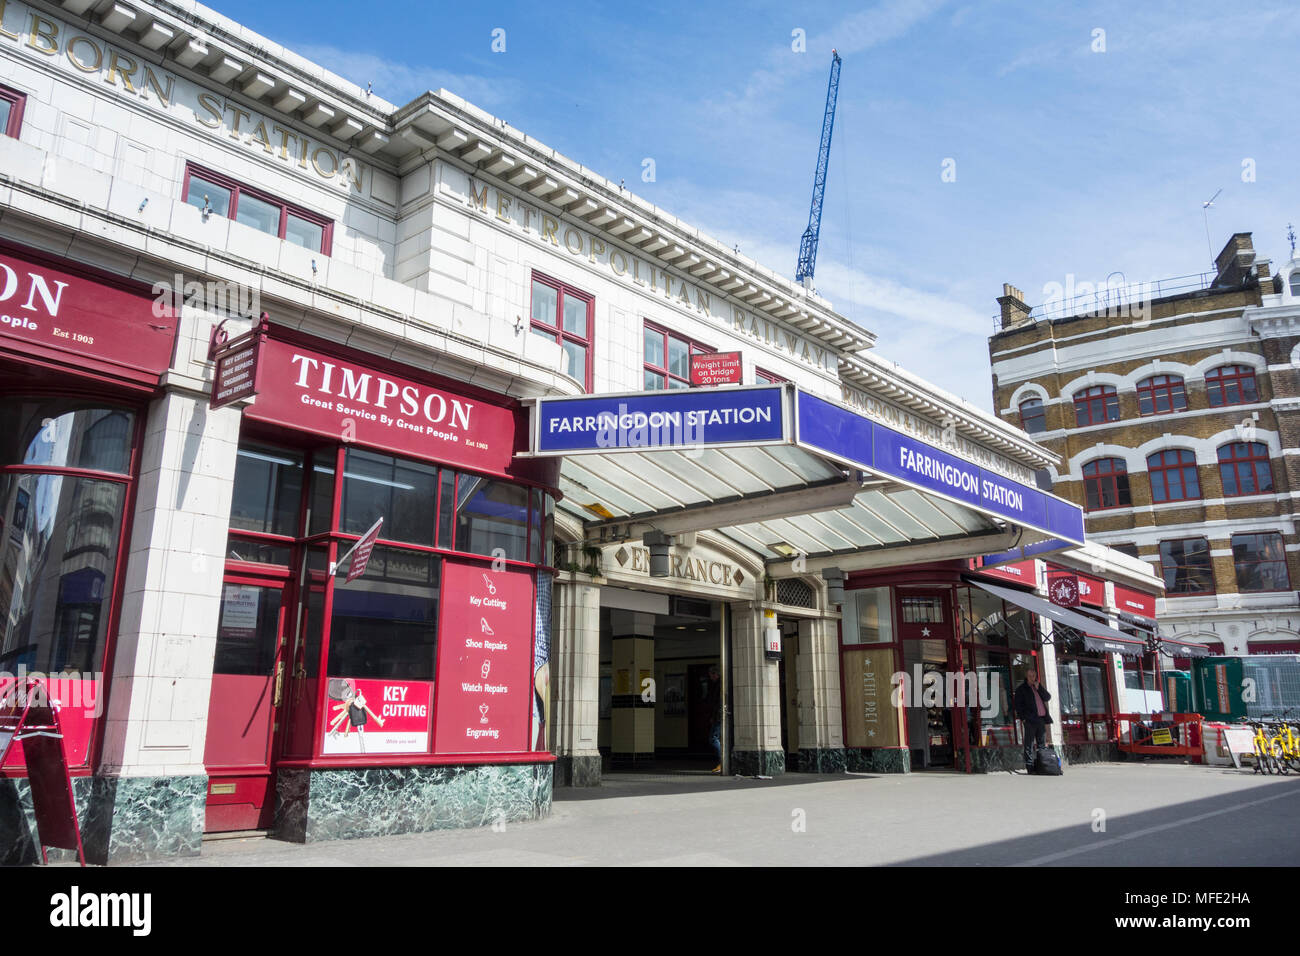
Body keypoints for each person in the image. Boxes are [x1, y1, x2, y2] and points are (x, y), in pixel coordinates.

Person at [1013, 668, 1052, 772]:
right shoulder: (1022, 689)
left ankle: (1043, 765)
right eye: (1030, 676)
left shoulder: (1037, 687)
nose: (1032, 678)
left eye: (1033, 676)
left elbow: (1047, 697)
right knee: (1029, 744)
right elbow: (1018, 706)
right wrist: (1024, 719)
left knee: (1041, 744)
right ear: (1026, 676)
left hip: (1041, 719)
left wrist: (1039, 688)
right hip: (1030, 720)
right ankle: (1030, 766)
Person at [704, 665, 722, 773]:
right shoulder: (718, 684)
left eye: (711, 675)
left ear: (715, 674)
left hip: (718, 716)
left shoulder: (719, 685)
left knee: (713, 738)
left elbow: (717, 703)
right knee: (717, 738)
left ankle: (722, 762)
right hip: (718, 715)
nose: (710, 678)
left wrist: (714, 716)